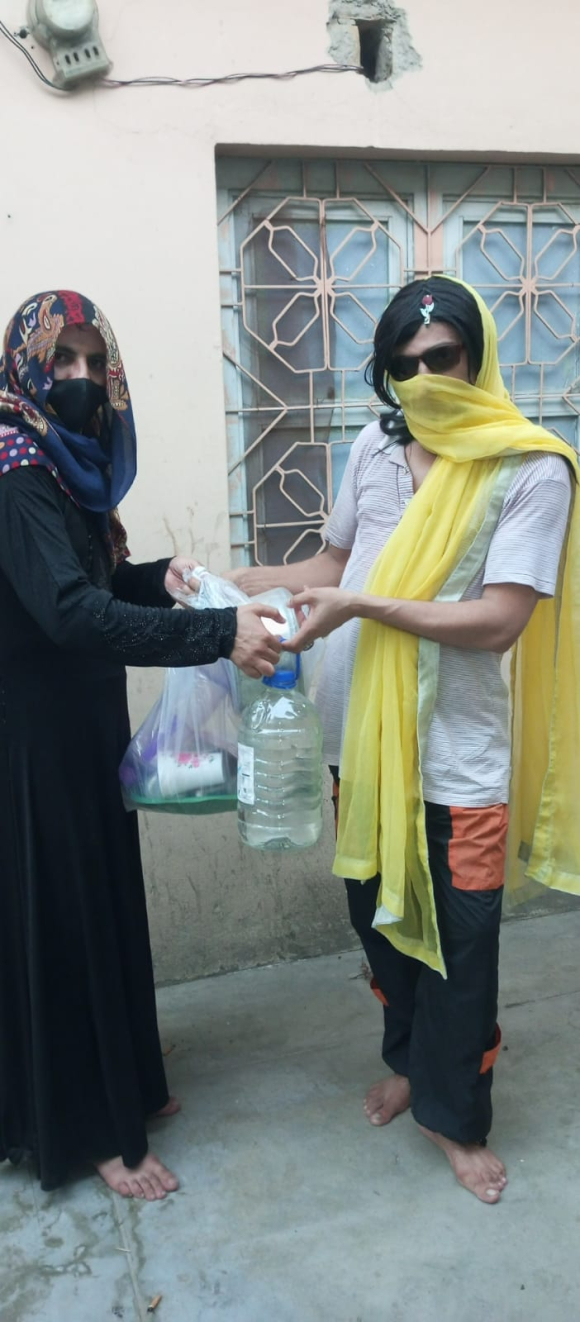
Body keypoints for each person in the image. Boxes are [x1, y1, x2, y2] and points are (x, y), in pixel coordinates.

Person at [218, 276, 580, 1203]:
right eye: (402, 367)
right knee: (381, 931)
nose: (422, 380)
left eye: (441, 360)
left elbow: (500, 619)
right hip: (358, 748)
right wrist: (234, 579)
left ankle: (457, 1118)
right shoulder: (373, 450)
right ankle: (415, 1069)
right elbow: (333, 565)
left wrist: (359, 607)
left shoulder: (530, 468)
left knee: (463, 947)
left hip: (459, 763)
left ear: (476, 356)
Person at [0, 289, 283, 1200]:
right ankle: (89, 1128)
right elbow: (69, 613)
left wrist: (156, 577)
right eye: (64, 362)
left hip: (85, 725)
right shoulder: (13, 469)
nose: (81, 379)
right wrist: (215, 634)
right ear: (29, 368)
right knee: (67, 918)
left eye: (94, 362)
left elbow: (92, 581)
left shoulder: (59, 467)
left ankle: (129, 1082)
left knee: (107, 901)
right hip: (33, 739)